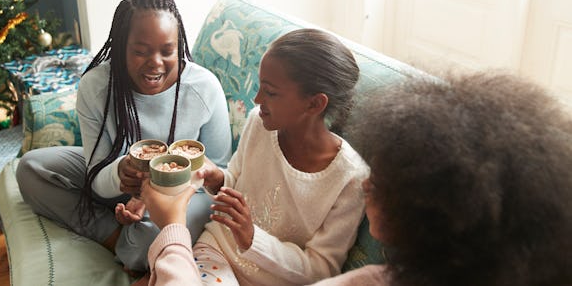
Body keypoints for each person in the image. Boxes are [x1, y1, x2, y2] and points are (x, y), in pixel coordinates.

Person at [142, 70, 572, 286]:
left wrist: (173, 227)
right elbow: (236, 175)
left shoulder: (348, 182)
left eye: (384, 181)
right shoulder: (379, 276)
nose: (369, 184)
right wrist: (218, 182)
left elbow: (316, 266)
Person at [15, 0, 232, 273]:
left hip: (183, 194)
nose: (155, 63)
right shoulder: (96, 86)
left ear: (178, 45)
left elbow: (218, 178)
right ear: (120, 47)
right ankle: (115, 235)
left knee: (147, 244)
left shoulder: (204, 87)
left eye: (167, 50)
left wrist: (162, 195)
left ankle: (135, 241)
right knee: (31, 169)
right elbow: (97, 179)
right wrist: (122, 173)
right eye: (141, 51)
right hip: (114, 185)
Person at [191, 28, 369, 286]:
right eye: (260, 86)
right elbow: (236, 186)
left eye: (270, 92)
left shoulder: (350, 179)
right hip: (217, 252)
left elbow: (320, 271)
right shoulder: (258, 122)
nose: (256, 99)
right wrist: (217, 181)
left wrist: (252, 239)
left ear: (314, 104)